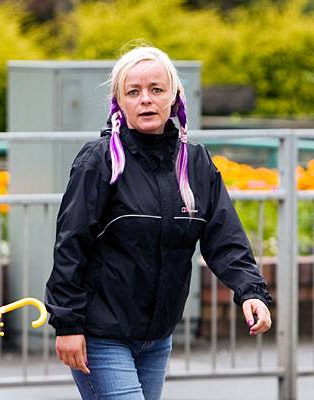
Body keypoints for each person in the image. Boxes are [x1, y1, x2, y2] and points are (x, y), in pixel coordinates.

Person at [45, 46, 272, 400]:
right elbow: (70, 247)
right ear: (118, 102)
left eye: (156, 89)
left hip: (157, 336)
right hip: (100, 334)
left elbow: (224, 237)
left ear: (174, 96)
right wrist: (68, 324)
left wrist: (250, 291)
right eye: (133, 92)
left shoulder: (196, 163)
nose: (145, 100)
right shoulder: (99, 161)